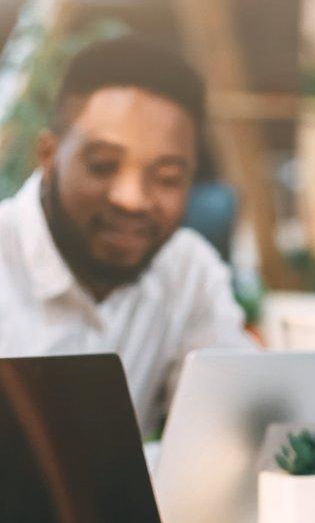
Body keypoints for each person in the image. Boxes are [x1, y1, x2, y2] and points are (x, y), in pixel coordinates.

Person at [0, 36, 252, 435]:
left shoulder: (187, 271)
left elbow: (238, 419)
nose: (132, 199)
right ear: (48, 155)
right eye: (103, 165)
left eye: (167, 178)